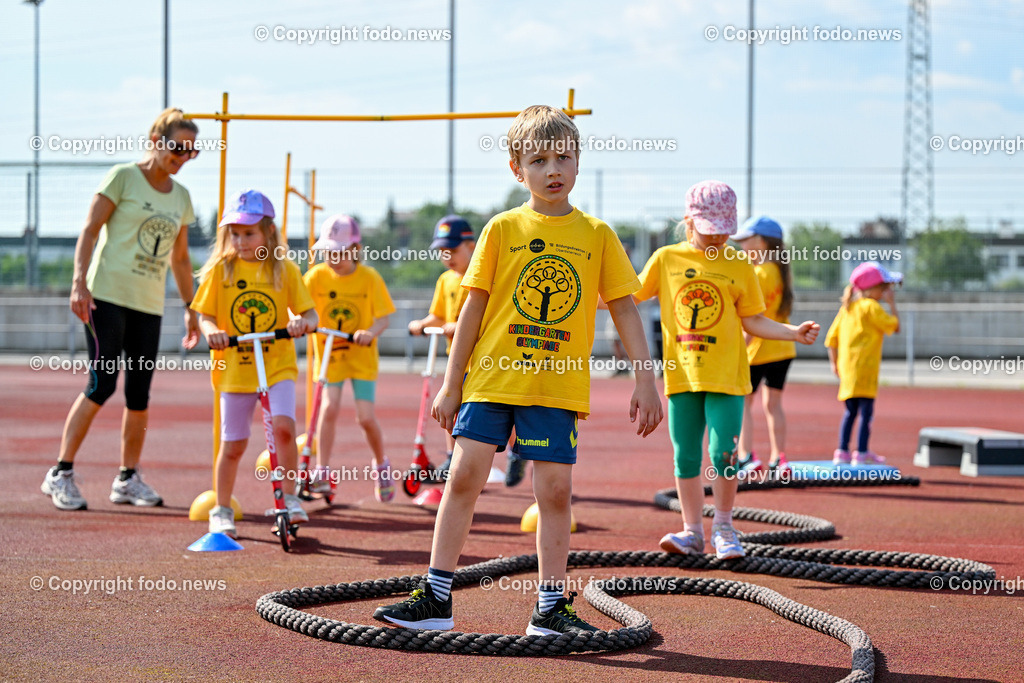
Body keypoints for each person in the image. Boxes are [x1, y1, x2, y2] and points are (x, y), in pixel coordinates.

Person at [373, 105, 662, 635]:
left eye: (564, 158)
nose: (553, 169)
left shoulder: (597, 234)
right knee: (463, 476)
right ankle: (436, 598)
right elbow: (472, 309)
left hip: (555, 388)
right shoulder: (502, 228)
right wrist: (450, 383)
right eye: (539, 159)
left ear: (578, 164)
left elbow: (624, 306)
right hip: (489, 378)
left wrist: (646, 378)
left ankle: (550, 609)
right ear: (517, 168)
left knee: (553, 494)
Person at [635, 181, 818, 560]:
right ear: (689, 221)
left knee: (724, 456)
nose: (718, 235)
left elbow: (753, 319)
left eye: (724, 227)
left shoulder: (738, 263)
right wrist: (584, 297)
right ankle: (691, 531)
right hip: (683, 378)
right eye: (709, 227)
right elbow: (627, 296)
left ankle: (723, 526)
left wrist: (792, 332)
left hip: (729, 379)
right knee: (685, 456)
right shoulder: (666, 259)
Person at [42, 108, 201, 511]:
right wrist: (79, 282)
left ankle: (127, 479)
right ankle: (60, 472)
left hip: (147, 304)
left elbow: (180, 260)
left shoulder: (181, 198)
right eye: (177, 148)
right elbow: (90, 229)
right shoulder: (123, 177)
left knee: (139, 394)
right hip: (106, 297)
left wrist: (191, 307)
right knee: (103, 383)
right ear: (155, 139)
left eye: (191, 152)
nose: (182, 157)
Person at [192, 190, 318, 539]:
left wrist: (301, 323)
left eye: (249, 233)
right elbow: (203, 315)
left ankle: (290, 498)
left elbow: (310, 313)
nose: (241, 240)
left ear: (268, 233)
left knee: (284, 429)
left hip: (277, 364)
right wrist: (213, 330)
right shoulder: (222, 270)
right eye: (234, 233)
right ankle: (221, 507)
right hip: (234, 369)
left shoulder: (284, 269)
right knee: (233, 444)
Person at [304, 214, 397, 502]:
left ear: (355, 249)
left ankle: (381, 464)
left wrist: (369, 332)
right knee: (328, 409)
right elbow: (298, 307)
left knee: (365, 418)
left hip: (361, 359)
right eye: (328, 252)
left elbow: (384, 317)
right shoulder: (316, 277)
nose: (333, 258)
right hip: (329, 356)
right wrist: (297, 320)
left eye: (339, 251)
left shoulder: (369, 278)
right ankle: (322, 470)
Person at [408, 215, 475, 479]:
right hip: (455, 359)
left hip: (480, 360)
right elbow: (438, 314)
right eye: (442, 251)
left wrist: (458, 326)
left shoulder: (481, 275)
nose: (448, 256)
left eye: (454, 250)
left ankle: (513, 450)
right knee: (449, 406)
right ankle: (451, 457)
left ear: (471, 246)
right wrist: (423, 324)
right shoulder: (445, 280)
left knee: (480, 413)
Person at [733, 216, 797, 475]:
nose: (741, 247)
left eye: (745, 241)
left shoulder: (758, 273)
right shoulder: (781, 272)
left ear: (760, 242)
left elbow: (753, 319)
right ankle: (779, 459)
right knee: (774, 405)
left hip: (757, 349)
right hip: (783, 348)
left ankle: (746, 457)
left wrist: (739, 350)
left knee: (743, 403)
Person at [825, 261, 901, 466]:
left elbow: (831, 339)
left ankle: (842, 452)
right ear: (873, 288)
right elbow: (895, 327)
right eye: (884, 287)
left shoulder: (847, 308)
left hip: (848, 371)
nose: (886, 291)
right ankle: (862, 452)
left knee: (850, 412)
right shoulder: (871, 307)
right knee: (866, 413)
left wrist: (834, 365)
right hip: (866, 370)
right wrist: (892, 304)